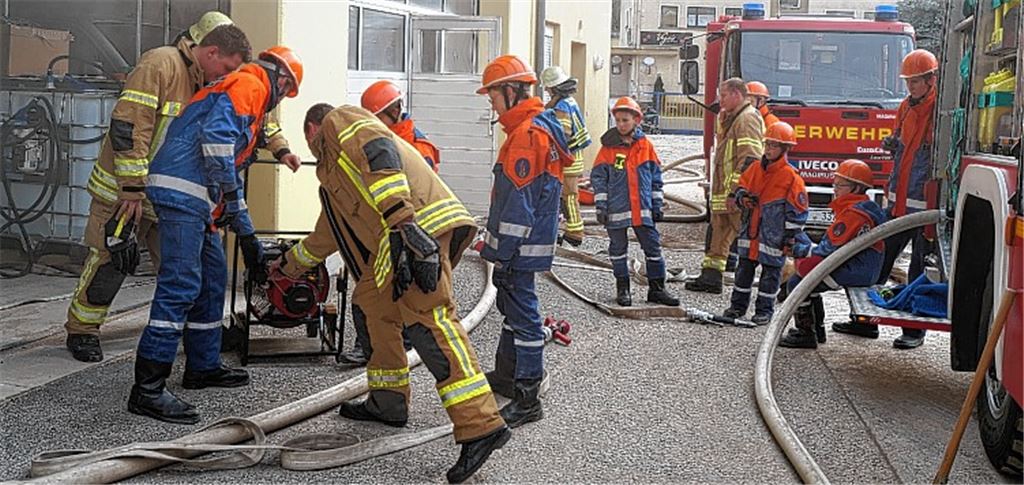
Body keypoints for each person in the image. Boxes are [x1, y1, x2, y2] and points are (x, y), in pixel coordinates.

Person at [275, 103, 508, 484]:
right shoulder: (331, 175)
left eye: (307, 138)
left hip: (418, 230)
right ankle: (388, 402)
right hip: (397, 241)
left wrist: (402, 220)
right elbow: (324, 236)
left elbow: (378, 148)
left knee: (429, 322)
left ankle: (481, 425)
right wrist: (284, 268)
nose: (310, 146)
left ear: (312, 128)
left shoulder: (340, 121)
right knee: (370, 305)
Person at [128, 46, 303, 425]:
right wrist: (244, 226)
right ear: (282, 79)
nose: (281, 100)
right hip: (184, 193)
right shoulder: (252, 85)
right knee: (180, 285)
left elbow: (226, 162)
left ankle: (202, 366)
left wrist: (246, 232)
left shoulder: (243, 87)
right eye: (287, 92)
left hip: (197, 199)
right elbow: (217, 144)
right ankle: (147, 389)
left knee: (212, 280)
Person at [63, 12, 252, 363]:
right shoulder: (161, 64)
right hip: (124, 193)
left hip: (169, 197)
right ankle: (83, 330)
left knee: (185, 269)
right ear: (209, 48)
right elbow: (130, 126)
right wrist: (131, 189)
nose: (226, 75)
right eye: (225, 66)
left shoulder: (208, 81)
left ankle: (198, 331)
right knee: (110, 261)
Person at [476, 55, 573, 429]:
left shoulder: (526, 136)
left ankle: (528, 396)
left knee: (525, 315)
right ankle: (506, 375)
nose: (492, 105)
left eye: (493, 97)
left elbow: (518, 207)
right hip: (526, 244)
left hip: (519, 246)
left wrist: (499, 253)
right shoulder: (533, 128)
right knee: (513, 307)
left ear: (511, 91)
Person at [832, 49, 939, 350]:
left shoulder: (938, 110)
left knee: (919, 270)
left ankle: (914, 330)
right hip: (899, 204)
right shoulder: (905, 107)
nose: (910, 87)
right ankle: (865, 320)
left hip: (924, 208)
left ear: (931, 80)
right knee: (877, 259)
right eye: (908, 82)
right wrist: (891, 143)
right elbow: (902, 146)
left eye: (915, 81)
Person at [333, 80, 442, 366]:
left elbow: (415, 198)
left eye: (375, 116)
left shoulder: (416, 147)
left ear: (392, 111)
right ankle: (375, 345)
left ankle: (397, 344)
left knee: (398, 290)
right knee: (374, 290)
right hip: (382, 229)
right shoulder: (380, 140)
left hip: (410, 231)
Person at [780, 160, 886, 348]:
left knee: (798, 283)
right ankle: (823, 330)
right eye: (834, 184)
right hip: (864, 267)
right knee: (811, 278)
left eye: (840, 185)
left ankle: (807, 334)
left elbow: (827, 250)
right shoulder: (865, 207)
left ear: (856, 188)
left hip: (855, 270)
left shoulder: (853, 214)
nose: (834, 189)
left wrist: (798, 250)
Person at [591, 96, 679, 307]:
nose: (621, 124)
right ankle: (623, 289)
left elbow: (655, 178)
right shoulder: (608, 148)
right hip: (616, 208)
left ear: (636, 120)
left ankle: (657, 290)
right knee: (618, 251)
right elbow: (599, 178)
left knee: (653, 249)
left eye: (625, 120)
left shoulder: (645, 146)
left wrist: (657, 204)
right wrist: (601, 206)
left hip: (642, 209)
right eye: (618, 120)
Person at [723, 121, 808, 325]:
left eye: (774, 145)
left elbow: (798, 212)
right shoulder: (755, 168)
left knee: (770, 276)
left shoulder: (791, 178)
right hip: (750, 233)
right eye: (767, 144)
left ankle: (764, 311)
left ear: (785, 148)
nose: (768, 149)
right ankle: (737, 307)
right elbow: (741, 187)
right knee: (743, 273)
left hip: (773, 237)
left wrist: (790, 239)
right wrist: (742, 198)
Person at [686, 78, 765, 294]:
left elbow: (750, 158)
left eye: (723, 96)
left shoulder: (747, 119)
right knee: (718, 237)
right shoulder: (733, 118)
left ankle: (787, 276)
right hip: (725, 194)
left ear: (737, 94)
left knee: (754, 239)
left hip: (736, 195)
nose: (720, 101)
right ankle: (710, 278)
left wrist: (736, 192)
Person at [540, 65, 592, 247]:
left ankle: (574, 234)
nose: (546, 90)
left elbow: (563, 134)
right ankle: (569, 229)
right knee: (567, 195)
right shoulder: (568, 101)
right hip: (574, 154)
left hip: (568, 157)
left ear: (553, 87)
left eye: (548, 88)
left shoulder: (562, 106)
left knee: (569, 196)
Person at [360, 80, 441, 172]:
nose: (374, 122)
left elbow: (422, 179)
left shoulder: (419, 148)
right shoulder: (376, 136)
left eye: (378, 117)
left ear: (394, 112)